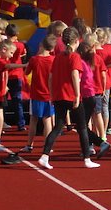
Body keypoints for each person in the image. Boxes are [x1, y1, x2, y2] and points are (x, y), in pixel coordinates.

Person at [38, 27, 100, 169]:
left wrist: (52, 94)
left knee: (58, 126)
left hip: (59, 95)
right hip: (71, 96)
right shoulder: (74, 57)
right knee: (82, 127)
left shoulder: (58, 57)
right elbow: (75, 75)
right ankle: (86, 158)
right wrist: (77, 95)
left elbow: (51, 77)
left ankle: (45, 155)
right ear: (77, 41)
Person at [20, 34, 56, 154]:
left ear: (41, 45)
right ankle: (48, 146)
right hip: (49, 94)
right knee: (47, 121)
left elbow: (26, 72)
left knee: (33, 120)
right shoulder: (53, 60)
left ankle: (29, 144)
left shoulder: (34, 59)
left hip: (36, 94)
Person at [96, 27, 111, 135]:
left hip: (101, 81)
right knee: (105, 105)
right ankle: (105, 129)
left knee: (99, 107)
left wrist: (104, 66)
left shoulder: (102, 50)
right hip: (109, 79)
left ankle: (100, 129)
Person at [4, 23, 26, 131]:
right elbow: (22, 53)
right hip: (16, 74)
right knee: (17, 100)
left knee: (3, 100)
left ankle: (2, 121)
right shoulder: (20, 45)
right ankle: (21, 124)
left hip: (6, 74)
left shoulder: (4, 45)